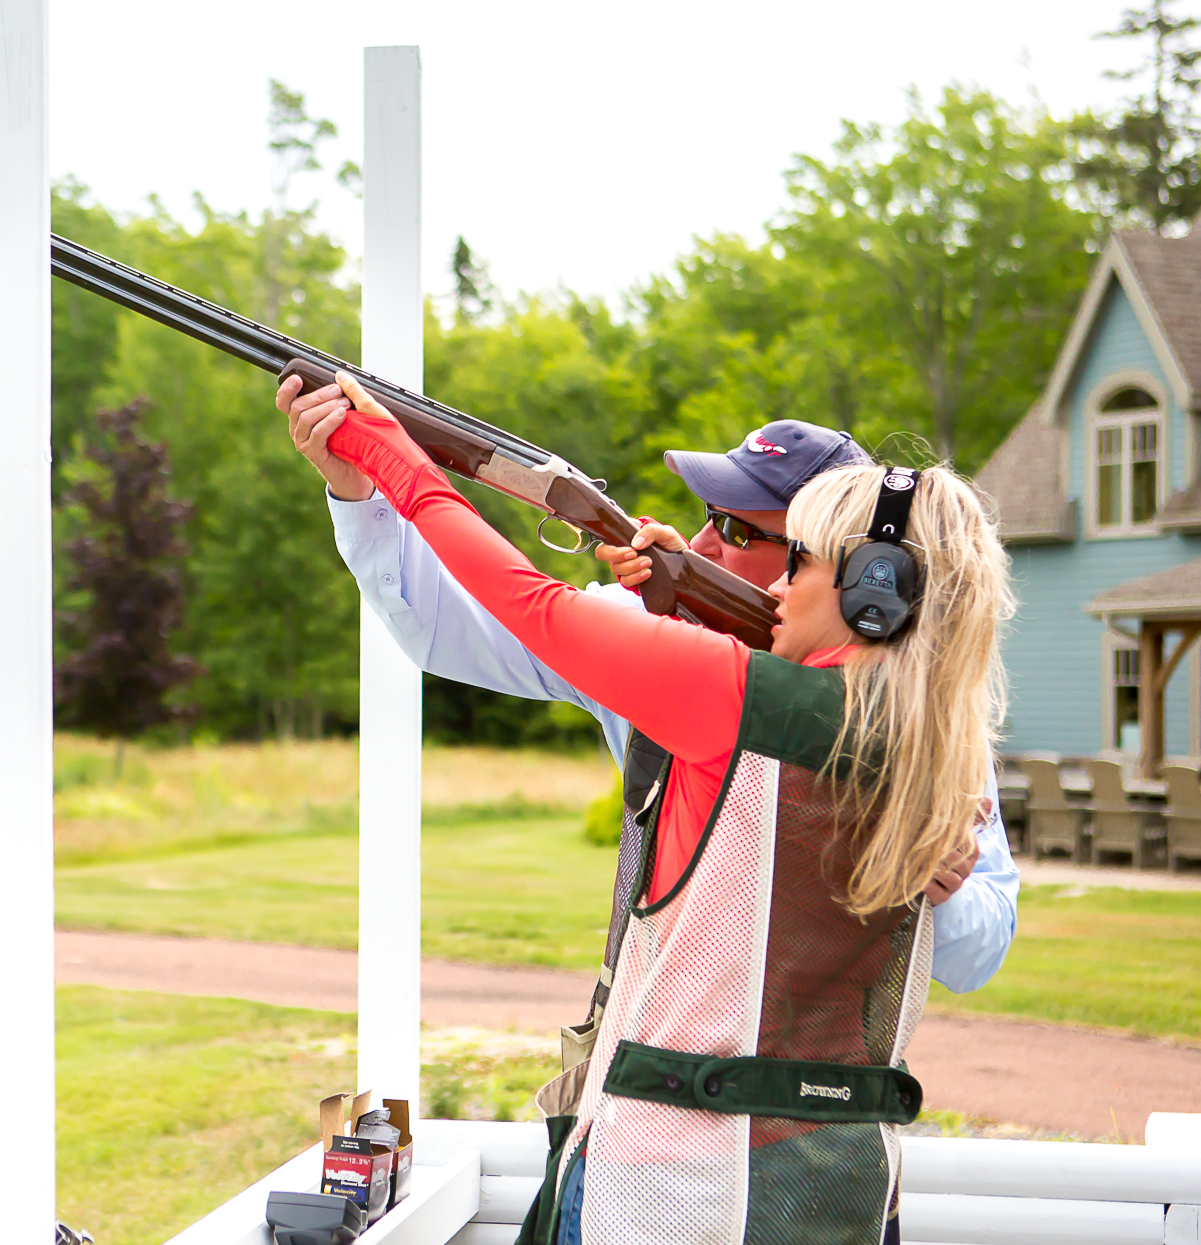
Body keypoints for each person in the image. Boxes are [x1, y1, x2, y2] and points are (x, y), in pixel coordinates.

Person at [306, 371, 1014, 1245]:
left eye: (787, 553)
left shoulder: (721, 685)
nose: (780, 583)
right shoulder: (941, 735)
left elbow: (530, 603)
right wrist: (677, 604)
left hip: (663, 1184)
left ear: (873, 590)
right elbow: (448, 626)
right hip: (835, 1183)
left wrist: (386, 451)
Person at [275, 376, 1018, 1002]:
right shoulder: (651, 628)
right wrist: (359, 492)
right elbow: (441, 631)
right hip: (657, 1038)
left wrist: (940, 889)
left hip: (789, 1083)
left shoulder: (920, 707)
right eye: (704, 517)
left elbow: (975, 955)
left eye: (735, 527)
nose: (700, 544)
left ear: (857, 576)